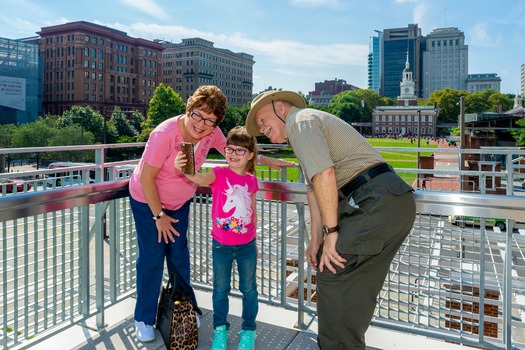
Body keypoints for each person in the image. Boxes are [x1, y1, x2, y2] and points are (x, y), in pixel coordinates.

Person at [245, 90, 416, 350]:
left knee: (333, 273)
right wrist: (316, 241)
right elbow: (315, 190)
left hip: (373, 201)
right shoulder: (304, 127)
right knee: (355, 286)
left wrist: (332, 232)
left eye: (262, 119)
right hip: (388, 202)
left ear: (280, 107)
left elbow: (325, 174)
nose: (261, 129)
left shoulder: (299, 122)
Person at [129, 85, 292, 343]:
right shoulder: (165, 134)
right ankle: (144, 318)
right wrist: (159, 215)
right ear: (189, 109)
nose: (202, 124)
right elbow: (147, 178)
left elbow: (236, 151)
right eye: (198, 115)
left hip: (179, 203)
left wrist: (270, 161)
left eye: (210, 120)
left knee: (179, 257)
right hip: (148, 201)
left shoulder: (212, 133)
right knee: (152, 258)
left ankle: (184, 310)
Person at [175, 126, 259, 350]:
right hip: (221, 245)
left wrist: (254, 241)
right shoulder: (219, 174)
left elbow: (253, 210)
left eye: (240, 150)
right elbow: (198, 176)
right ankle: (220, 329)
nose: (233, 154)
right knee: (220, 289)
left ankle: (249, 330)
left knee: (249, 289)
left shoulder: (251, 180)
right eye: (230, 149)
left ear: (250, 155)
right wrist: (184, 168)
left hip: (247, 246)